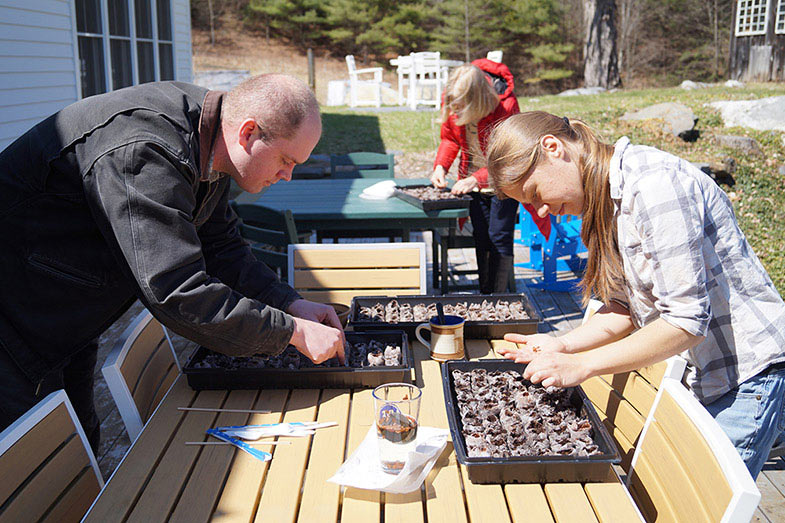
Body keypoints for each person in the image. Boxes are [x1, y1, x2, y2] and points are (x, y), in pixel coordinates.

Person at [0, 74, 346, 451]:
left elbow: (220, 247)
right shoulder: (144, 151)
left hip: (65, 308)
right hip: (15, 316)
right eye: (285, 159)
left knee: (78, 447)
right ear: (248, 134)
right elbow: (176, 290)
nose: (287, 175)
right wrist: (289, 332)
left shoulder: (211, 140)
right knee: (33, 464)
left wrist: (288, 303)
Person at [484, 110, 785, 479]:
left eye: (534, 194)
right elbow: (624, 308)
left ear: (553, 148)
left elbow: (686, 321)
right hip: (700, 376)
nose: (541, 210)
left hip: (745, 376)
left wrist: (583, 366)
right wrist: (561, 346)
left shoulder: (655, 185)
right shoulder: (604, 198)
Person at [430, 60, 549, 294]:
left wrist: (476, 178)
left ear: (477, 98)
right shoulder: (454, 97)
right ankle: (486, 294)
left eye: (463, 106)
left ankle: (499, 298)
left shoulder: (505, 105)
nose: (458, 110)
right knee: (481, 236)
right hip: (471, 182)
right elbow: (450, 138)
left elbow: (509, 156)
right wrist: (441, 167)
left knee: (499, 237)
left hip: (503, 182)